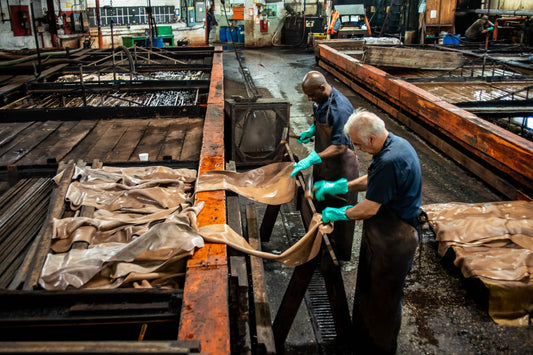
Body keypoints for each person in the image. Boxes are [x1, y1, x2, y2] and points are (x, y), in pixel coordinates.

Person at [314, 109, 422, 354]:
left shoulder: (390, 159)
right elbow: (372, 180)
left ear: (372, 138)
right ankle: (365, 340)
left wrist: (338, 213)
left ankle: (379, 349)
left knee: (384, 301)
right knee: (372, 292)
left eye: (360, 145)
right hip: (385, 234)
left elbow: (369, 208)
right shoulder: (394, 144)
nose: (358, 150)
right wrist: (339, 185)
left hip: (396, 239)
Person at [291, 71, 359, 261]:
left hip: (341, 167)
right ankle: (320, 246)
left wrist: (311, 158)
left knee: (339, 212)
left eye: (311, 94)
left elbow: (339, 147)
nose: (309, 98)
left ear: (323, 87)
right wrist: (312, 130)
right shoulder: (321, 99)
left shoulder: (340, 108)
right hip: (325, 165)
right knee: (320, 205)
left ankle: (337, 257)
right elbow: (322, 119)